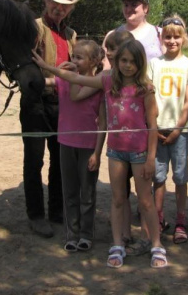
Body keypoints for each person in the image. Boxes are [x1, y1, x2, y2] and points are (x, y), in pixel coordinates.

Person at [32, 40, 168, 269]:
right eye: (123, 60)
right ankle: (117, 245)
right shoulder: (107, 80)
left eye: (133, 62)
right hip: (115, 152)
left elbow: (153, 125)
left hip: (139, 152)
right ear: (116, 61)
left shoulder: (146, 87)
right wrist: (46, 66)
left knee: (145, 201)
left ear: (141, 63)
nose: (127, 65)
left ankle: (156, 245)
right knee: (117, 199)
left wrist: (151, 158)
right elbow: (75, 79)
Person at [101, 0, 162, 250]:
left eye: (135, 4)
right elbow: (106, 72)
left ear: (145, 7)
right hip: (118, 125)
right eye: (126, 4)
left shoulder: (157, 34)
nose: (130, 8)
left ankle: (153, 237)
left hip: (145, 110)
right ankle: (123, 235)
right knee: (120, 193)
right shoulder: (114, 33)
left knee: (149, 190)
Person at [20, 0, 79, 238]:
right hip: (35, 101)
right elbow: (23, 64)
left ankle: (56, 210)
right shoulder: (32, 27)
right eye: (55, 4)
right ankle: (35, 215)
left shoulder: (72, 35)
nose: (59, 9)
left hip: (63, 104)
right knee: (34, 160)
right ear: (45, 2)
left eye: (65, 6)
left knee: (59, 159)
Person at [45, 40, 104, 253]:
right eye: (74, 56)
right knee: (69, 192)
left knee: (87, 193)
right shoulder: (63, 80)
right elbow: (47, 82)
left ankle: (86, 234)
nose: (74, 61)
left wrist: (97, 152)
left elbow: (103, 122)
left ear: (94, 61)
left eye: (79, 57)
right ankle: (72, 234)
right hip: (65, 144)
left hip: (88, 146)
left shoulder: (97, 84)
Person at [148, 15, 188, 244]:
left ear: (184, 38)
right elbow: (150, 95)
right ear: (161, 38)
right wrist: (153, 125)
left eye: (177, 36)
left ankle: (180, 220)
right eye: (167, 36)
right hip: (158, 129)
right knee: (158, 177)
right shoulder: (154, 64)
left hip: (180, 132)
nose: (172, 40)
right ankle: (158, 218)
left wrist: (178, 129)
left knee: (179, 177)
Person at [102, 0, 163, 69]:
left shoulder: (160, 34)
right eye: (126, 5)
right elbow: (106, 69)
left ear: (145, 8)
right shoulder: (112, 35)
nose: (129, 9)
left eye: (134, 5)